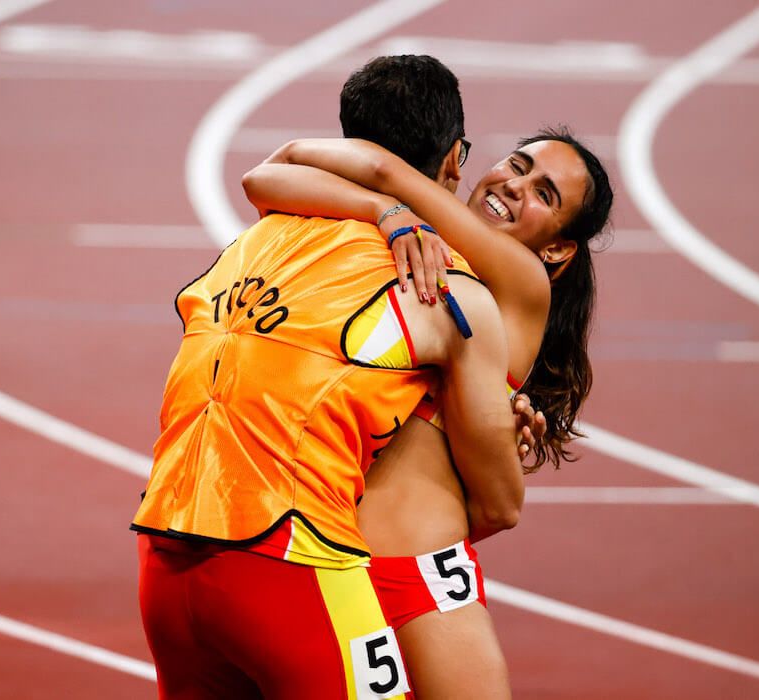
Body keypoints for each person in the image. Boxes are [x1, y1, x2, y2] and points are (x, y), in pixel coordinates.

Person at [132, 55, 532, 699]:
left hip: (165, 561)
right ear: (456, 159)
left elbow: (269, 172)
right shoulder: (447, 291)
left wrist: (378, 202)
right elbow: (499, 506)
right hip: (292, 561)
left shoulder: (256, 237)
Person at [242, 110, 613, 696]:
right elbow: (265, 183)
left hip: (419, 581)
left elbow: (377, 172)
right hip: (325, 563)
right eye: (516, 166)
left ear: (559, 249)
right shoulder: (408, 250)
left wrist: (385, 201)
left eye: (543, 193)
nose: (516, 185)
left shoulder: (519, 281)